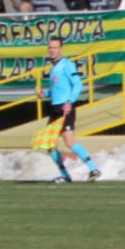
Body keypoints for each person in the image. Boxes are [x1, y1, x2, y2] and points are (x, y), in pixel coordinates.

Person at [34, 35, 99, 183]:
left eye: (55, 47)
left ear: (61, 49)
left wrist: (69, 102)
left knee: (69, 141)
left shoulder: (67, 65)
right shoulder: (54, 69)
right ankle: (65, 175)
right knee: (49, 144)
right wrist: (44, 93)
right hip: (55, 108)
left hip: (65, 108)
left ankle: (93, 168)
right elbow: (56, 90)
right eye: (50, 47)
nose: (52, 50)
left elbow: (77, 84)